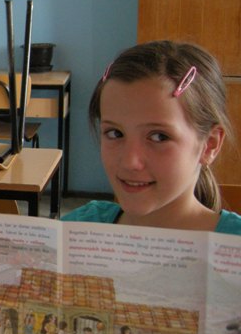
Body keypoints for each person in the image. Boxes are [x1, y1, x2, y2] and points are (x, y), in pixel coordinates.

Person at [63, 40, 241, 235]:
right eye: (115, 133)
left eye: (159, 137)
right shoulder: (76, 229)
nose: (130, 162)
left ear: (210, 145)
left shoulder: (234, 243)